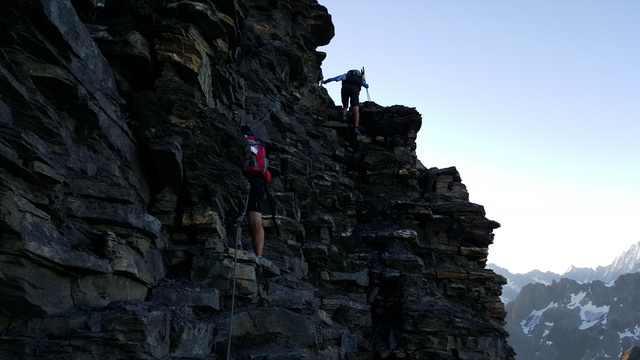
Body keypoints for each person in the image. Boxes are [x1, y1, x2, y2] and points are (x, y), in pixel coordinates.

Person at [233, 125, 271, 257]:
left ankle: (237, 244)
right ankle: (259, 256)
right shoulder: (260, 144)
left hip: (239, 179)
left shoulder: (236, 141)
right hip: (257, 183)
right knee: (256, 221)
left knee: (237, 214)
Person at [322, 69, 369, 134]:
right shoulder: (359, 78)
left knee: (345, 105)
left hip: (345, 88)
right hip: (354, 90)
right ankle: (356, 127)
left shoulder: (346, 75)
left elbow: (334, 78)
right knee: (356, 109)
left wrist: (325, 82)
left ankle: (344, 117)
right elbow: (366, 85)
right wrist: (364, 80)